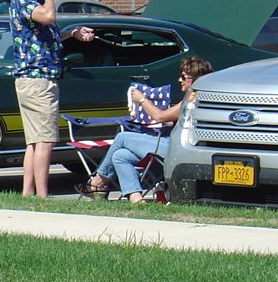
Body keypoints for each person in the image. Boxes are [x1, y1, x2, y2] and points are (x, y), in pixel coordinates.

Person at [10, 0, 94, 198]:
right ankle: (43, 197)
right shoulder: (25, 0)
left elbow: (43, 34)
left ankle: (27, 194)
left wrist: (71, 33)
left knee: (34, 142)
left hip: (34, 80)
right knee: (45, 140)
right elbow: (48, 16)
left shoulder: (31, 1)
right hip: (38, 81)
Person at [77, 56, 214, 203]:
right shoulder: (193, 98)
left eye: (183, 77)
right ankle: (136, 200)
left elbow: (160, 116)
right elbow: (170, 121)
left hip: (178, 150)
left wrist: (142, 100)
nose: (179, 80)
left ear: (196, 79)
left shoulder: (193, 99)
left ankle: (97, 183)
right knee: (120, 155)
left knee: (122, 138)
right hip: (175, 145)